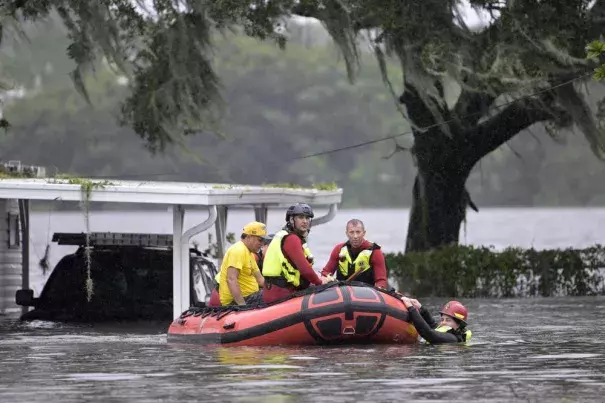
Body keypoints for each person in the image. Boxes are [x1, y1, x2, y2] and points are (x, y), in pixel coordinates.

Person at [262, 203, 329, 303]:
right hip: (280, 295)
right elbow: (304, 268)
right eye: (301, 217)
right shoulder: (291, 239)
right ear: (292, 219)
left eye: (307, 218)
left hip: (276, 291)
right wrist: (319, 282)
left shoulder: (286, 235)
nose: (305, 221)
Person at [207, 234, 274, 307]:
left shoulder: (259, 257)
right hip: (222, 294)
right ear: (263, 247)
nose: (274, 251)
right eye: (272, 247)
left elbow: (260, 281)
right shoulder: (253, 257)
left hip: (231, 293)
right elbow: (232, 279)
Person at [320, 219, 388, 288]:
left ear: (364, 233)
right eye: (351, 232)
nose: (355, 236)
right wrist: (326, 279)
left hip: (367, 294)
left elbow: (381, 281)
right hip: (343, 293)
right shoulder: (339, 249)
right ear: (347, 233)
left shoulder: (375, 252)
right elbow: (326, 272)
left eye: (358, 232)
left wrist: (380, 288)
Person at [217, 221, 268, 306]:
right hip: (237, 301)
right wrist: (242, 305)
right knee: (272, 297)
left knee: (274, 294)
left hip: (250, 297)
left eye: (263, 241)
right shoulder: (238, 250)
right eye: (260, 240)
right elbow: (231, 279)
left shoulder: (249, 253)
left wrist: (278, 287)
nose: (262, 243)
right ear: (248, 237)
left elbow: (261, 280)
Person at [400, 297, 472, 344]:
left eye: (448, 320)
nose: (443, 322)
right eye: (442, 319)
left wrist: (411, 309)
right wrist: (421, 308)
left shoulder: (452, 339)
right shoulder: (450, 332)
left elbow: (429, 333)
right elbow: (433, 325)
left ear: (459, 325)